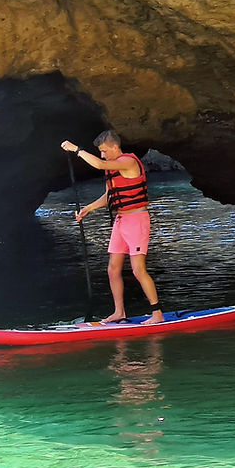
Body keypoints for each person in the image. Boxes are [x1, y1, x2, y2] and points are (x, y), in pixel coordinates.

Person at [61, 130, 164, 325]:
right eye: (100, 152)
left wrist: (76, 150)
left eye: (104, 151)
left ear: (115, 147)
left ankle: (157, 313)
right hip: (121, 221)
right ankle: (119, 312)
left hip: (136, 220)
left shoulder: (128, 162)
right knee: (113, 269)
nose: (102, 155)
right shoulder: (112, 169)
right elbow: (110, 196)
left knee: (138, 270)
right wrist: (88, 209)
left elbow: (99, 164)